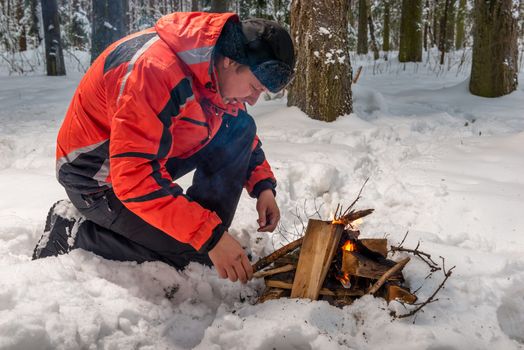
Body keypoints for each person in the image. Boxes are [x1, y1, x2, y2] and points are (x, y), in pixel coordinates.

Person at [32, 12, 295, 285]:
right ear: (231, 61)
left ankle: (196, 233)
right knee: (196, 253)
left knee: (239, 127)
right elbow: (134, 177)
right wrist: (209, 238)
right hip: (96, 178)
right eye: (254, 87)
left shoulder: (212, 66)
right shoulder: (153, 70)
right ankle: (70, 231)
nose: (253, 99)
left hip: (144, 155)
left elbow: (238, 128)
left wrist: (263, 186)